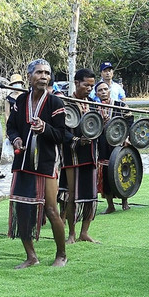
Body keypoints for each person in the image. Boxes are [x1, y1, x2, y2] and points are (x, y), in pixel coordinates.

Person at [6, 59, 68, 268]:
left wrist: (45, 129)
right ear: (30, 76)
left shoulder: (55, 103)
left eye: (47, 73)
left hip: (46, 163)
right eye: (39, 72)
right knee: (22, 209)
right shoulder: (20, 101)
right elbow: (11, 127)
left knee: (51, 210)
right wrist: (15, 139)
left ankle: (61, 255)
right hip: (22, 161)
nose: (44, 76)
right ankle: (31, 256)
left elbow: (62, 135)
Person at [58, 68, 99, 244]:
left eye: (92, 85)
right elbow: (60, 129)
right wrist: (75, 139)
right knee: (72, 194)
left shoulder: (94, 104)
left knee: (90, 194)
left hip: (90, 154)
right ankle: (71, 234)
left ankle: (85, 232)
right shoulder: (65, 103)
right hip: (72, 155)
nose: (90, 88)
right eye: (86, 85)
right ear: (76, 83)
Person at [95, 80, 132, 213]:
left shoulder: (120, 105)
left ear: (109, 90)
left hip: (119, 143)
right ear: (96, 94)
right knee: (105, 173)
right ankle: (110, 205)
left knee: (122, 171)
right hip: (103, 145)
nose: (103, 92)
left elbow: (130, 120)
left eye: (105, 89)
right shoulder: (93, 107)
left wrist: (127, 137)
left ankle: (124, 201)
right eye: (100, 90)